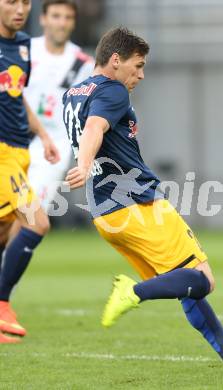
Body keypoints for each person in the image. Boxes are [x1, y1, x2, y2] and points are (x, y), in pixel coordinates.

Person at [63, 27, 223, 374]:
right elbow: (95, 128)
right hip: (138, 204)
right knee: (202, 278)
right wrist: (81, 164)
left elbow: (91, 129)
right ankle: (133, 292)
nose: (141, 75)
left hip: (104, 213)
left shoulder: (74, 92)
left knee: (185, 284)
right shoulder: (112, 90)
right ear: (115, 60)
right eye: (137, 66)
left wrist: (84, 166)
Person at [0, 0, 59, 343]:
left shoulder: (22, 44)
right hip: (2, 156)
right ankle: (3, 303)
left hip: (20, 152)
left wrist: (43, 134)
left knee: (4, 236)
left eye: (25, 1)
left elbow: (16, 94)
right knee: (37, 222)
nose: (20, 8)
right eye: (11, 1)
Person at [24, 0, 94, 211]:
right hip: (16, 138)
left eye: (68, 17)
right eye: (56, 16)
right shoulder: (25, 50)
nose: (61, 23)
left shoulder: (83, 63)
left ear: (73, 23)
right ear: (43, 19)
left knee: (31, 212)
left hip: (55, 146)